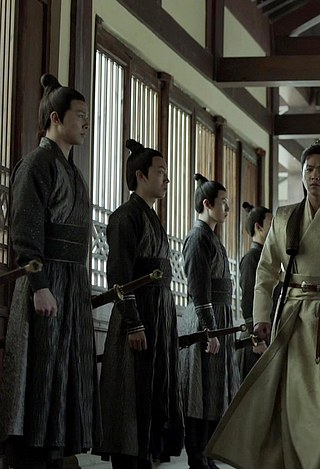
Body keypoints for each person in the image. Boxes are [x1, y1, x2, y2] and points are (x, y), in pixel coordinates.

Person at [207, 140, 320, 468]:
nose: (315, 176)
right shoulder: (284, 218)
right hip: (292, 316)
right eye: (309, 169)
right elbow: (266, 271)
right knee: (294, 398)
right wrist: (261, 318)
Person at [0, 74, 100, 468]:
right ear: (56, 118)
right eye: (80, 115)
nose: (86, 122)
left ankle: (58, 451)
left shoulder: (72, 170)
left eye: (87, 116)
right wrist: (39, 284)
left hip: (72, 282)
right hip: (45, 281)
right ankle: (33, 455)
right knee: (40, 369)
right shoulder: (37, 164)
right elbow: (25, 230)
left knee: (67, 369)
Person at [96, 139, 184, 468]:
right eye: (160, 172)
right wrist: (133, 322)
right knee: (131, 392)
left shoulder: (153, 218)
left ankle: (149, 455)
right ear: (140, 175)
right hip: (138, 316)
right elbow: (119, 274)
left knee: (157, 390)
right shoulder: (125, 217)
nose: (166, 179)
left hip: (160, 314)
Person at [179, 174, 240, 469]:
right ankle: (197, 456)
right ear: (207, 204)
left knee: (215, 391)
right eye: (223, 202)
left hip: (219, 318)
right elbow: (198, 288)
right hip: (206, 320)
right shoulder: (197, 238)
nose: (227, 208)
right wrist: (209, 329)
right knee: (200, 392)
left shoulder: (213, 238)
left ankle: (208, 455)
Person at [236, 202, 272, 378]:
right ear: (258, 227)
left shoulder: (268, 258)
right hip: (255, 338)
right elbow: (248, 300)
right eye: (271, 224)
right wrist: (256, 339)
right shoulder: (251, 258)